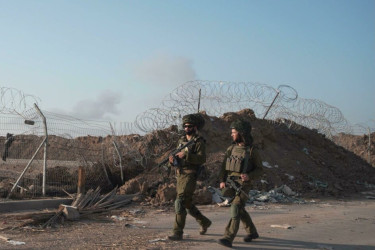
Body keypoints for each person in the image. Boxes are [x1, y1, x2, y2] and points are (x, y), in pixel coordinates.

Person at [218, 119, 263, 248]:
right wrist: (222, 180)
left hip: (244, 185)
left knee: (235, 208)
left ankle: (228, 237)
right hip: (231, 183)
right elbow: (223, 167)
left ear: (242, 133)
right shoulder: (231, 148)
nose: (231, 134)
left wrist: (249, 176)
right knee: (240, 210)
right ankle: (252, 232)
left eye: (234, 132)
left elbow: (260, 169)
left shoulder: (252, 151)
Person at [167, 113, 212, 241]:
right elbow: (177, 157)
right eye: (185, 126)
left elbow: (202, 158)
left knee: (180, 201)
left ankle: (177, 232)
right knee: (187, 203)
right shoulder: (182, 141)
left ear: (195, 127)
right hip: (180, 175)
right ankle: (204, 222)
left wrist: (186, 156)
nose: (187, 128)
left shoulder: (199, 142)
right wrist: (172, 160)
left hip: (190, 175)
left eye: (190, 126)